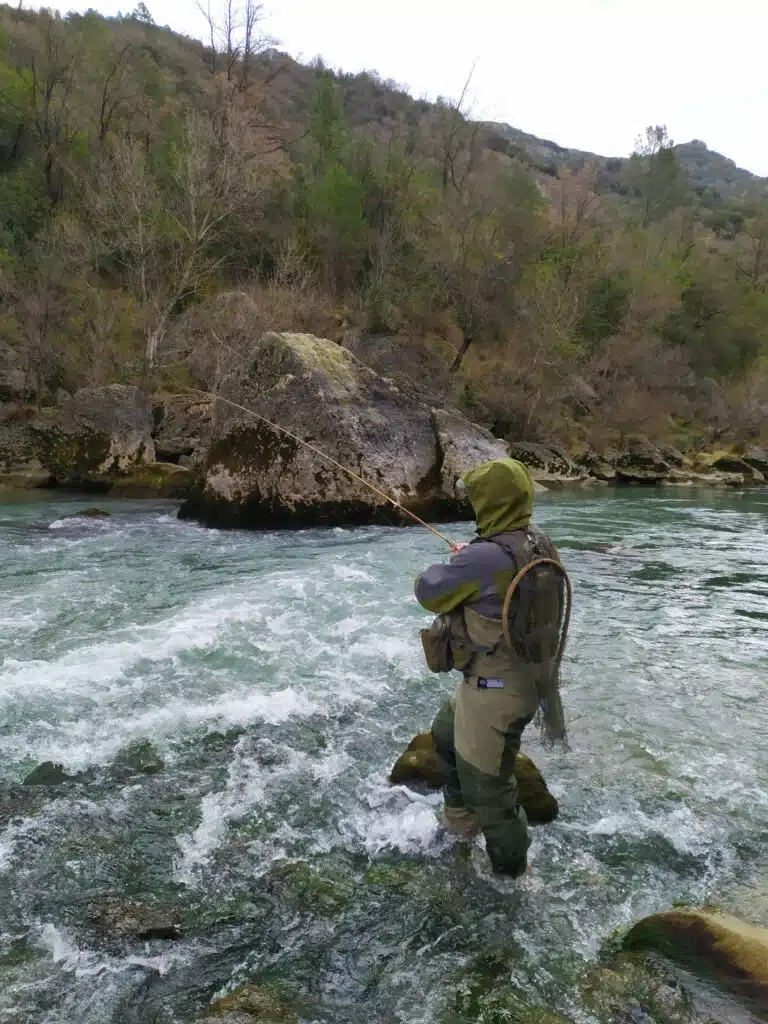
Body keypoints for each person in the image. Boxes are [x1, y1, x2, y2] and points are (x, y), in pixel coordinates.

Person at [414, 458, 568, 878]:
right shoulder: (537, 541)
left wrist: (459, 562)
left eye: (476, 497)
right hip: (522, 680)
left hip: (495, 691)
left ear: (491, 501)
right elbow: (498, 586)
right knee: (445, 738)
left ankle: (513, 880)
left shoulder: (484, 557)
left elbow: (427, 590)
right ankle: (459, 831)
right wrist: (472, 560)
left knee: (493, 796)